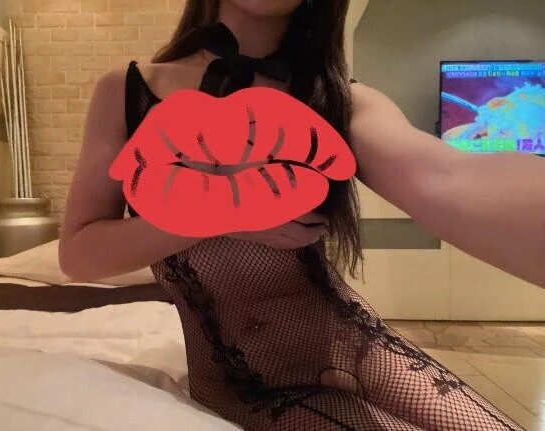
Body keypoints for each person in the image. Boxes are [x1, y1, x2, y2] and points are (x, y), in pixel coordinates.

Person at [59, 0, 542, 429]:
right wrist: (230, 214)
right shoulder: (128, 91)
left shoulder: (337, 99)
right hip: (242, 370)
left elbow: (449, 178)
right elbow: (79, 254)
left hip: (350, 337)